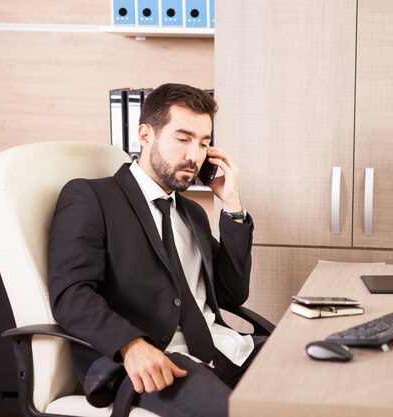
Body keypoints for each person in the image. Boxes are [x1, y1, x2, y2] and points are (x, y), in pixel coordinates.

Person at [48, 83, 265, 417]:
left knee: (311, 366)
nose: (195, 156)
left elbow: (232, 294)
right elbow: (71, 294)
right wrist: (130, 344)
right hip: (154, 361)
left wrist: (232, 207)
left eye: (204, 143)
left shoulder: (191, 212)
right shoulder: (92, 198)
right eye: (183, 139)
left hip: (223, 348)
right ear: (145, 135)